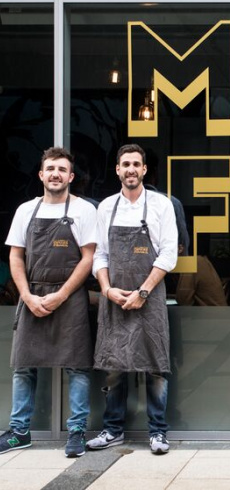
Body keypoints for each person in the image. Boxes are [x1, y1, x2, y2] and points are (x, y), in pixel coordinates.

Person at [0, 147, 98, 457]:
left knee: (77, 367)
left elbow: (88, 258)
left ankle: (76, 432)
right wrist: (26, 296)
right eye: (51, 169)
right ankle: (19, 432)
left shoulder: (84, 210)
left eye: (62, 169)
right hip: (31, 294)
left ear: (71, 177)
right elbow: (16, 256)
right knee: (23, 367)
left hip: (70, 297)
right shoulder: (25, 210)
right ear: (42, 174)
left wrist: (62, 294)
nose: (56, 174)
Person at [86, 144, 178, 455]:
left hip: (149, 297)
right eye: (125, 164)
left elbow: (169, 254)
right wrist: (107, 289)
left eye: (136, 164)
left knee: (155, 367)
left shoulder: (161, 205)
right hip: (114, 298)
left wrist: (143, 291)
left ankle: (158, 432)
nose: (131, 169)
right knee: (114, 366)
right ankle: (113, 430)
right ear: (117, 170)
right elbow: (99, 254)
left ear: (144, 169)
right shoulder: (106, 207)